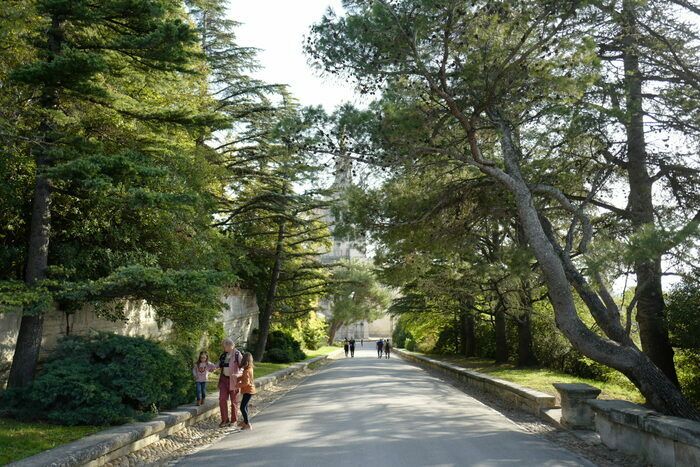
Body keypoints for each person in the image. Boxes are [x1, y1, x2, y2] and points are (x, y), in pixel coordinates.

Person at [218, 338, 243, 428]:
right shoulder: (224, 355)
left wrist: (238, 374)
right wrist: (210, 366)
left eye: (224, 346)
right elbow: (219, 364)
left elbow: (243, 367)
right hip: (224, 380)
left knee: (234, 402)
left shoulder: (237, 354)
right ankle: (225, 420)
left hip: (234, 381)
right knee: (222, 399)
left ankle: (234, 420)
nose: (223, 348)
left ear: (229, 346)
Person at [237, 352, 257, 430]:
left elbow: (246, 382)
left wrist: (238, 385)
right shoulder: (250, 368)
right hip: (249, 390)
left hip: (248, 390)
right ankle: (245, 422)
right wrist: (238, 378)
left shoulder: (246, 371)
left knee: (242, 407)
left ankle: (247, 423)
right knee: (245, 406)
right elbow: (244, 377)